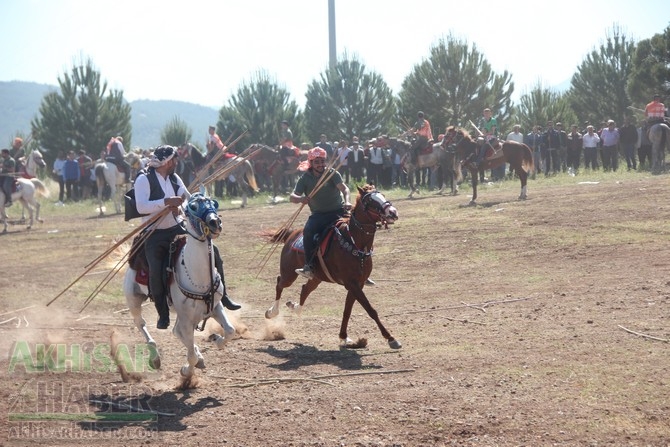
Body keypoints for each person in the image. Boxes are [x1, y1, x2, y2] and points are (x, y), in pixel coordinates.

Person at [134, 145, 241, 330]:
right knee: (156, 269)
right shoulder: (144, 179)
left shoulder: (174, 178)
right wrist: (166, 202)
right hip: (154, 233)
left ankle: (223, 296)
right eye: (174, 159)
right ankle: (163, 314)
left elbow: (187, 199)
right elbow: (141, 207)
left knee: (212, 250)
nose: (177, 162)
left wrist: (192, 205)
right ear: (166, 162)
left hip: (177, 228)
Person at [291, 147, 351, 280]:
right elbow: (292, 196)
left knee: (358, 228)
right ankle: (309, 266)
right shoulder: (305, 179)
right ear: (311, 163)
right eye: (317, 161)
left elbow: (345, 189)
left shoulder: (332, 174)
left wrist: (348, 201)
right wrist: (300, 199)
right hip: (319, 216)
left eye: (322, 161)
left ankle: (362, 262)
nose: (320, 164)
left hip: (339, 211)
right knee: (308, 232)